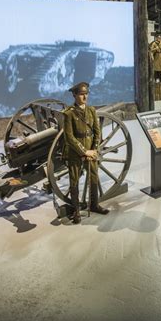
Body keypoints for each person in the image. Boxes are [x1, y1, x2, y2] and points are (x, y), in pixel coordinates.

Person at [63, 82, 109, 224]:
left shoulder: (91, 111)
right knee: (74, 181)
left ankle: (94, 204)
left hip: (91, 151)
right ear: (75, 95)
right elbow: (69, 137)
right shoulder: (69, 113)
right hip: (76, 153)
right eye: (81, 94)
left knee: (93, 178)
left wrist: (94, 150)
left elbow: (97, 132)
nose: (85, 97)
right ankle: (76, 210)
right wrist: (84, 151)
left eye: (86, 94)